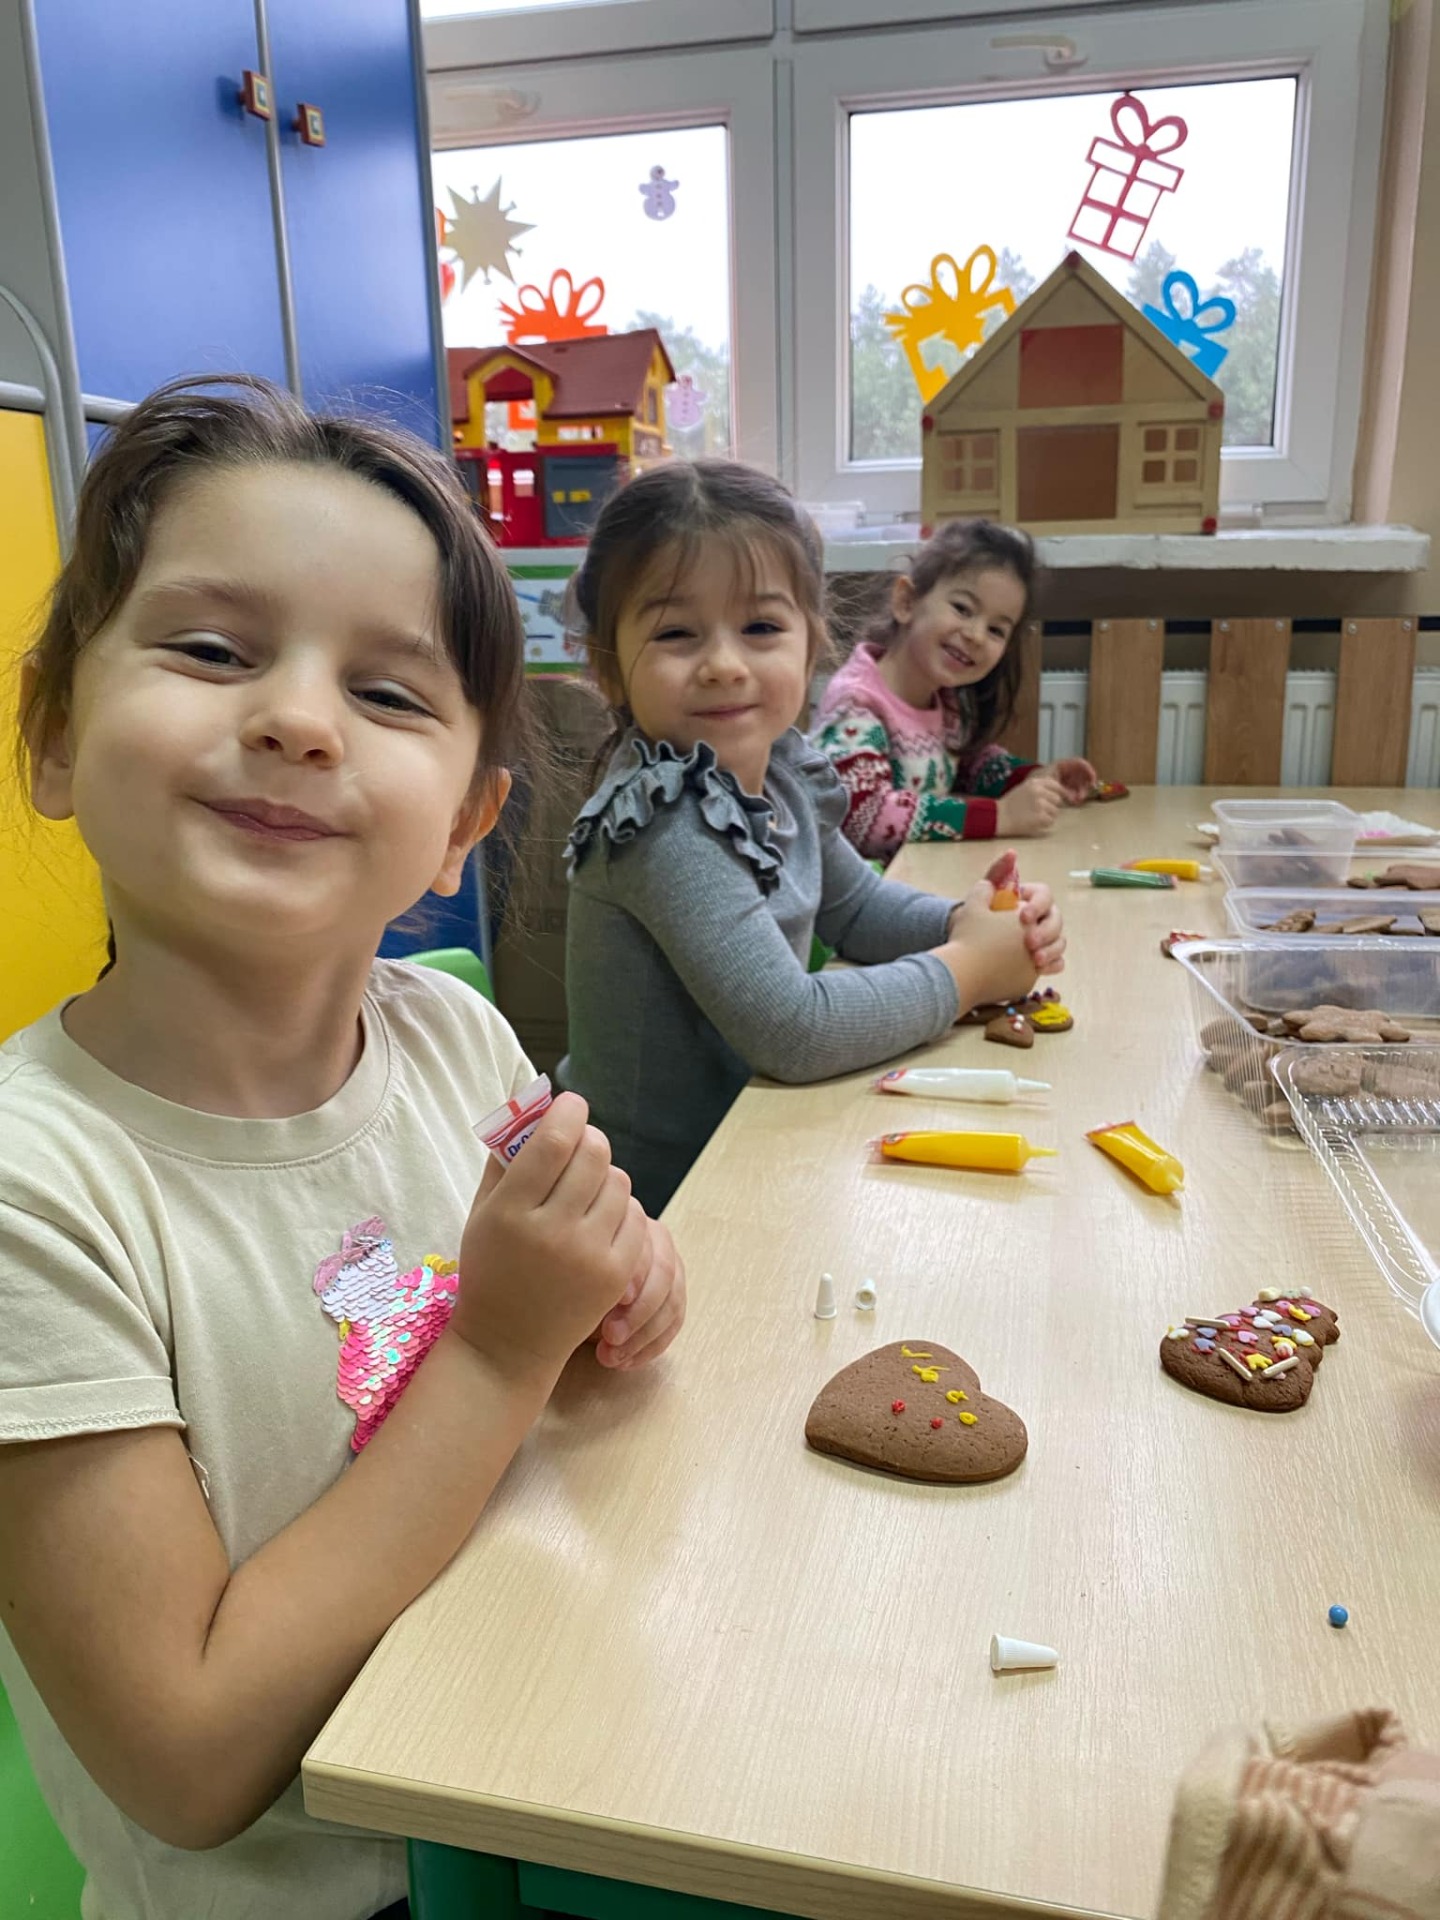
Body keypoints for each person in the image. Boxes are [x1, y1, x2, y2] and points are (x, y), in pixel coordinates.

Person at [0, 376, 684, 1920]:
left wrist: (625, 1279)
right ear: (54, 731)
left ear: (462, 825)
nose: (299, 721)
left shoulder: (454, 1038)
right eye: (211, 650)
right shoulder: (36, 1190)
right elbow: (186, 1762)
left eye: (386, 692)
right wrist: (503, 1348)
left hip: (543, 1784)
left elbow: (594, 1294)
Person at [557, 460, 1066, 1216]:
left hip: (758, 1145)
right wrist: (970, 968)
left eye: (761, 628)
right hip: (654, 1202)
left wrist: (972, 922)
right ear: (609, 669)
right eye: (675, 633)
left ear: (810, 642)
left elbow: (854, 907)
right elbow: (794, 1030)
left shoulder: (780, 773)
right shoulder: (663, 823)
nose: (724, 665)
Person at [810, 518, 1097, 862]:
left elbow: (970, 762)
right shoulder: (856, 703)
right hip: (854, 892)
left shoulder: (943, 700)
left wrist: (1034, 777)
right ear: (906, 602)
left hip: (916, 876)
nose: (975, 635)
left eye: (996, 630)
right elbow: (864, 817)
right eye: (962, 609)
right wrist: (1000, 816)